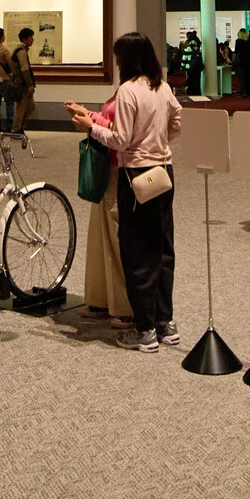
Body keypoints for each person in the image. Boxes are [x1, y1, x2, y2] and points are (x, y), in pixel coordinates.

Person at [69, 32, 183, 352]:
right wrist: (159, 143)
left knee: (137, 253)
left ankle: (144, 329)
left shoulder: (129, 91)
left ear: (127, 60)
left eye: (119, 58)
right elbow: (176, 122)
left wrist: (90, 128)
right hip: (164, 171)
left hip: (136, 176)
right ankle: (165, 322)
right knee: (162, 248)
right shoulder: (162, 87)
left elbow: (120, 140)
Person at [9, 26, 39, 133]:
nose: (32, 40)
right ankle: (16, 129)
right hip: (21, 85)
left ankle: (20, 126)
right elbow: (24, 69)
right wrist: (30, 84)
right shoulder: (21, 51)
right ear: (24, 39)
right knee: (21, 108)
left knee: (30, 107)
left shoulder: (21, 50)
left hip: (21, 83)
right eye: (30, 37)